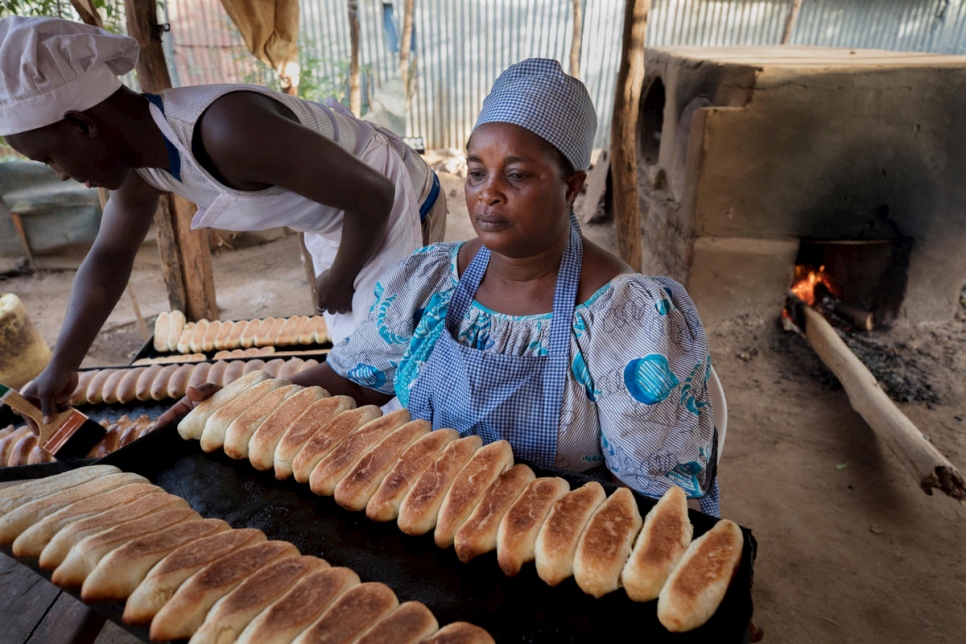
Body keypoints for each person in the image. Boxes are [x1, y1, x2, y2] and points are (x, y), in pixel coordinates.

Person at [162, 58, 720, 515]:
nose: (487, 194)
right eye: (477, 172)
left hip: (556, 553)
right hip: (430, 519)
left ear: (573, 185)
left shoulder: (629, 320)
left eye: (518, 175)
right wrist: (249, 404)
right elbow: (351, 378)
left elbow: (662, 505)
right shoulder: (433, 280)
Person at [0, 15, 446, 418]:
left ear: (83, 124)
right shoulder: (143, 167)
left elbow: (373, 193)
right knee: (356, 351)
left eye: (48, 160)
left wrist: (340, 275)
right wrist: (63, 365)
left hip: (389, 199)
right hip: (342, 210)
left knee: (385, 371)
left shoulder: (226, 131)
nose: (58, 175)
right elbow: (110, 256)